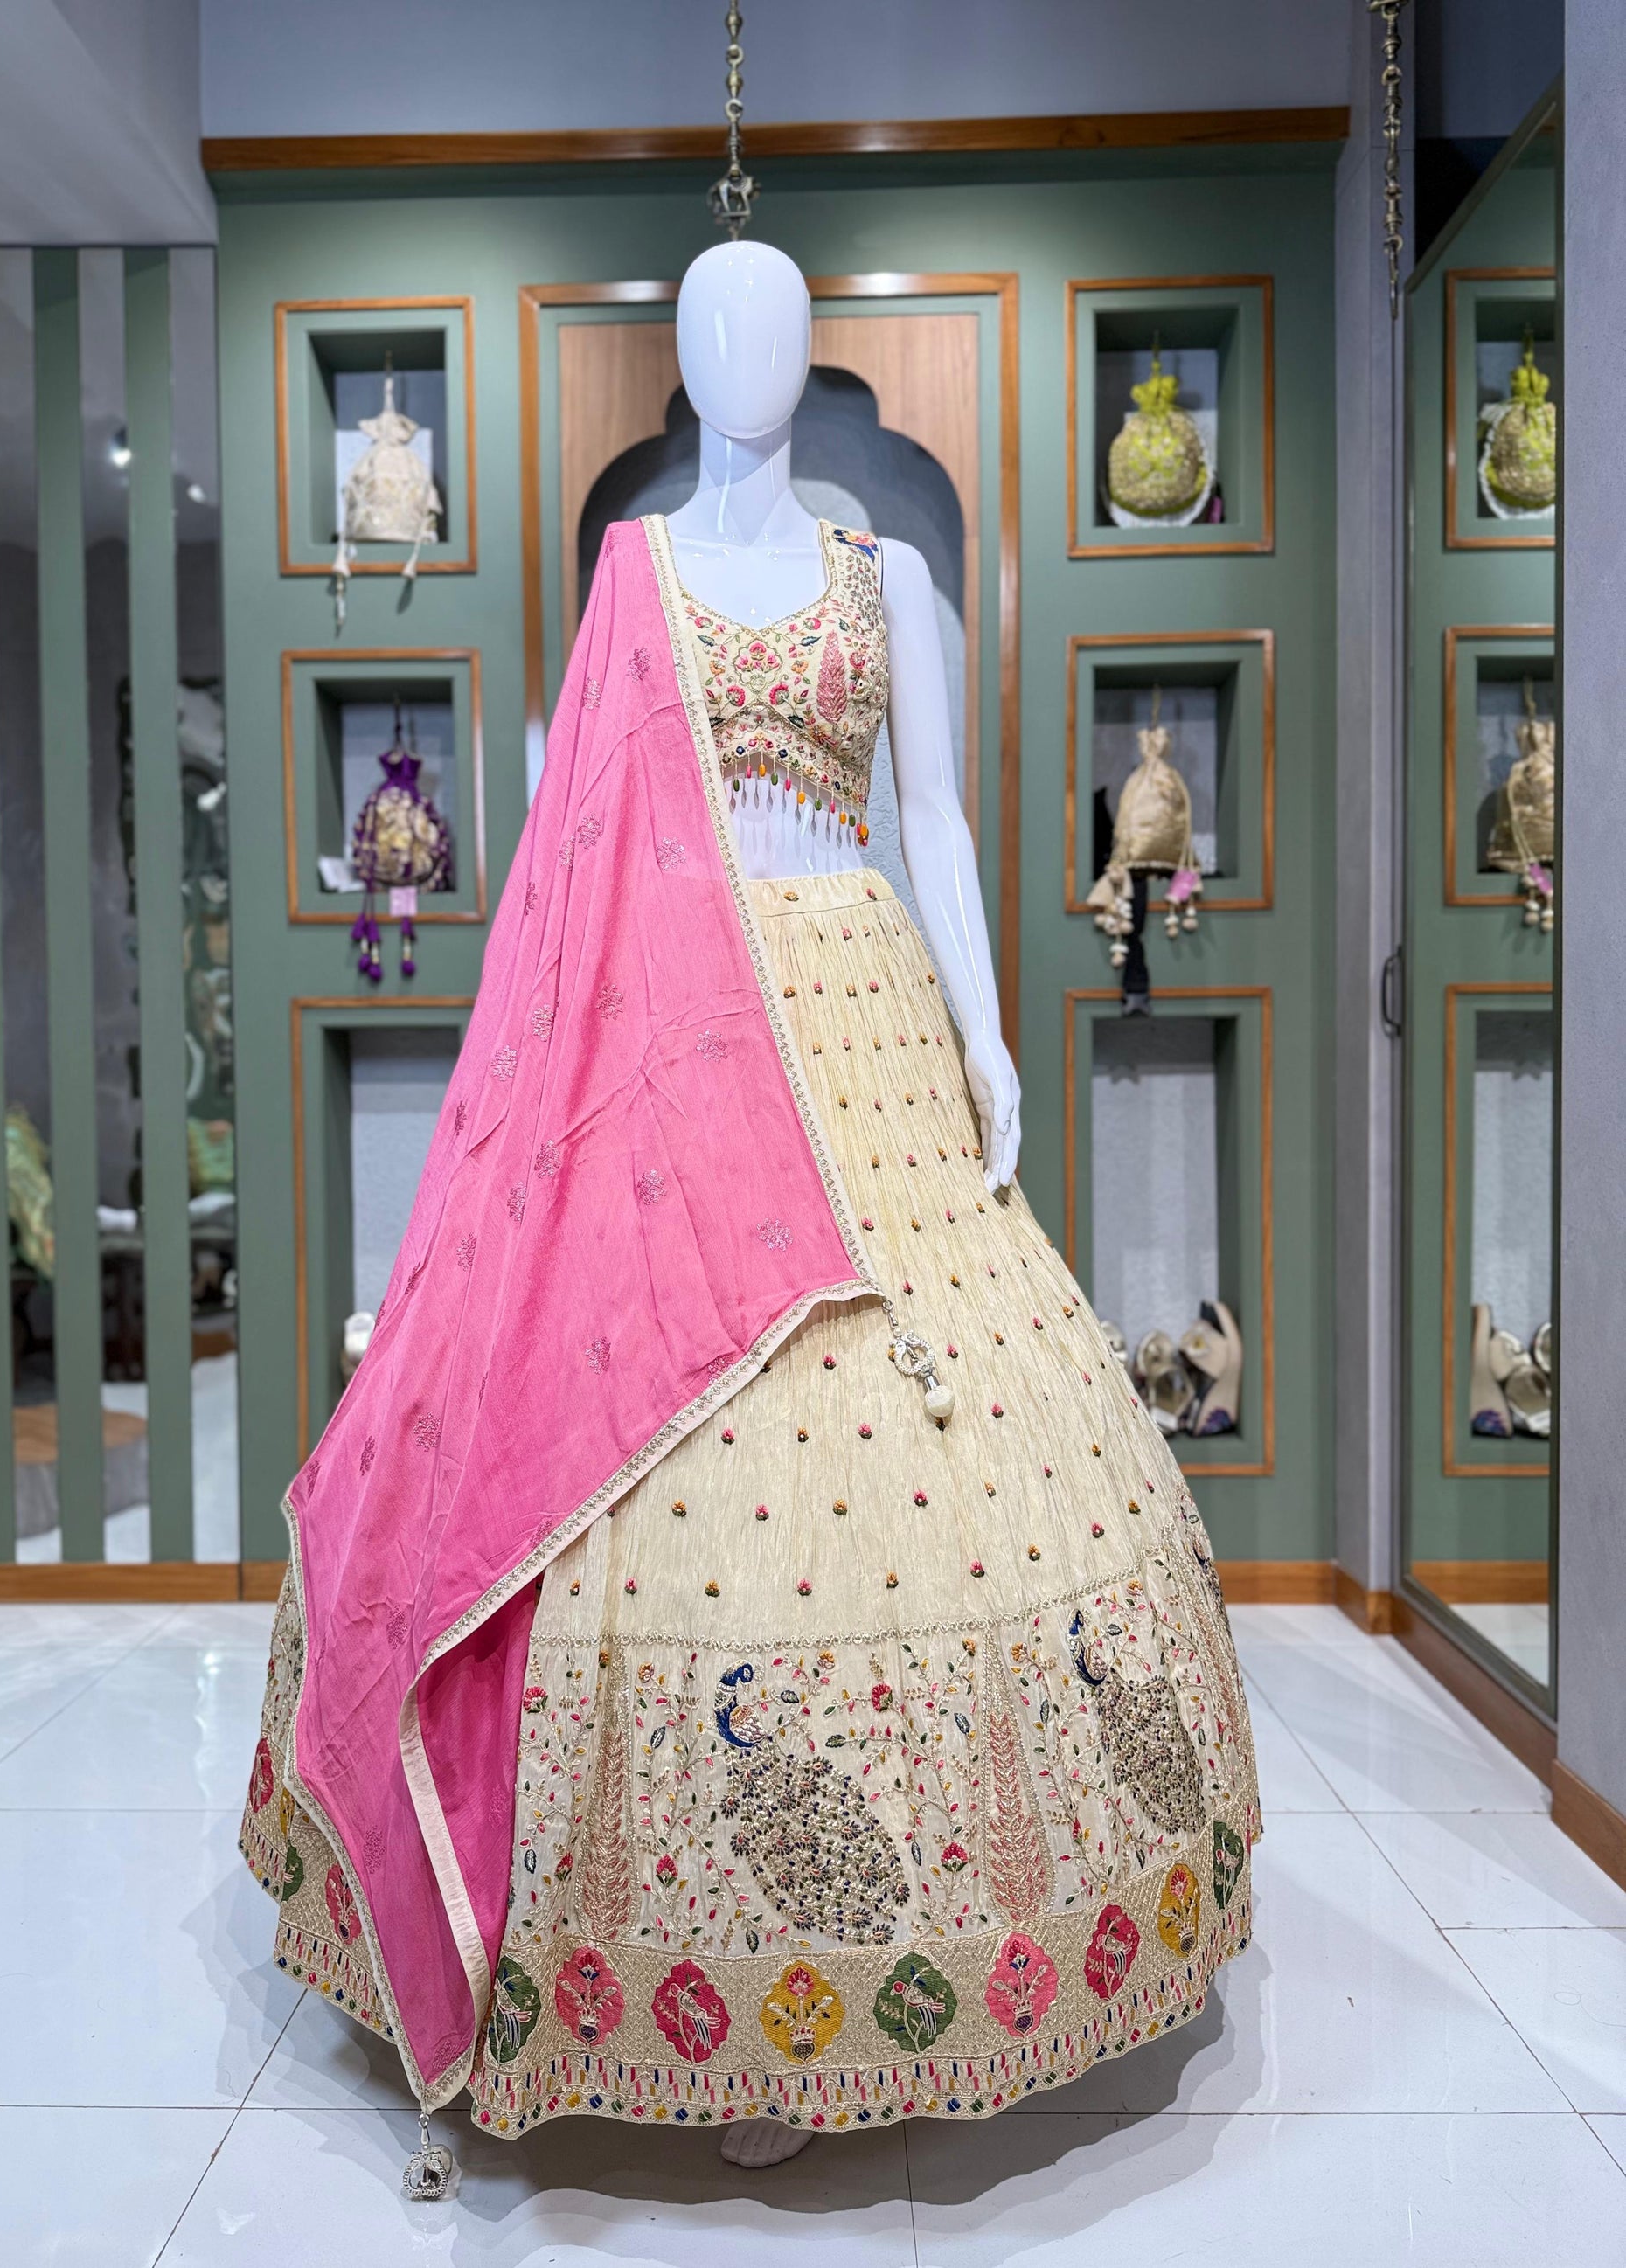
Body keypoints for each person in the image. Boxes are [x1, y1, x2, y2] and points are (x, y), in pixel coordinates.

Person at [240, 240, 1259, 2183]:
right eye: (720, 328)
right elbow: (573, 840)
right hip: (675, 1030)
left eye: (780, 326)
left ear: (806, 355)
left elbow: (933, 819)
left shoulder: (885, 581)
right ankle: (628, 1963)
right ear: (688, 362)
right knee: (641, 1401)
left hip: (864, 1020)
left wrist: (986, 1034)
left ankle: (875, 1961)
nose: (750, 356)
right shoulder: (632, 578)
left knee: (916, 1423)